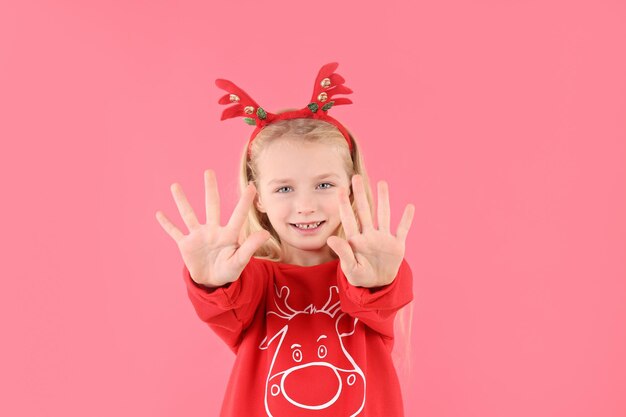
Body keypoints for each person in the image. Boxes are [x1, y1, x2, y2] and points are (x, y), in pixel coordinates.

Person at [155, 63, 416, 416]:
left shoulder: (371, 272)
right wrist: (212, 282)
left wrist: (379, 283)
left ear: (351, 190)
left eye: (324, 185)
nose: (305, 206)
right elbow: (227, 307)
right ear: (258, 197)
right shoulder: (254, 281)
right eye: (284, 189)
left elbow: (377, 302)